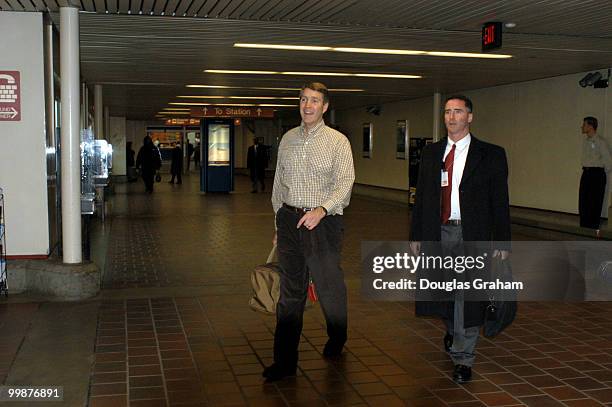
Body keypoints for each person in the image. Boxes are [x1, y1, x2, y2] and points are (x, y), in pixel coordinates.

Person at [410, 95, 511, 383]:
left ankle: (463, 358)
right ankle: (453, 328)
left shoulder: (491, 155)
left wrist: (502, 243)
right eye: (447, 112)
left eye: (458, 112)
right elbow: (422, 198)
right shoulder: (431, 153)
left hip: (471, 233)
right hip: (437, 231)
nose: (451, 117)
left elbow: (500, 202)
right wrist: (416, 235)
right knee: (443, 291)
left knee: (467, 296)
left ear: (470, 117)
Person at [264, 82, 355, 382]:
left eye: (314, 101)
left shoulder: (337, 141)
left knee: (329, 288)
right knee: (291, 292)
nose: (307, 105)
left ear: (324, 107)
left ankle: (337, 335)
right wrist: (279, 222)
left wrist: (322, 209)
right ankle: (285, 362)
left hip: (323, 223)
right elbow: (279, 183)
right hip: (290, 221)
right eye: (303, 99)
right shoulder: (287, 139)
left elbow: (345, 182)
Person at [579, 116, 612, 231]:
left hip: (596, 175)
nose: (582, 127)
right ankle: (583, 228)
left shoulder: (600, 142)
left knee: (595, 202)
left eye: (584, 124)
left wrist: (599, 172)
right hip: (586, 173)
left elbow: (608, 161)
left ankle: (592, 230)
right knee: (583, 202)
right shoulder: (586, 141)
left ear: (590, 126)